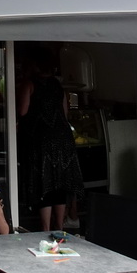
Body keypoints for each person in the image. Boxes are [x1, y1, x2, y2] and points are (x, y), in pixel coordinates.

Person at [16, 46, 84, 231]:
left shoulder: (29, 84)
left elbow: (22, 111)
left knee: (43, 182)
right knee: (59, 183)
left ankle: (46, 229)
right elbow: (65, 111)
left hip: (40, 139)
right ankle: (59, 226)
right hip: (62, 138)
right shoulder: (57, 84)